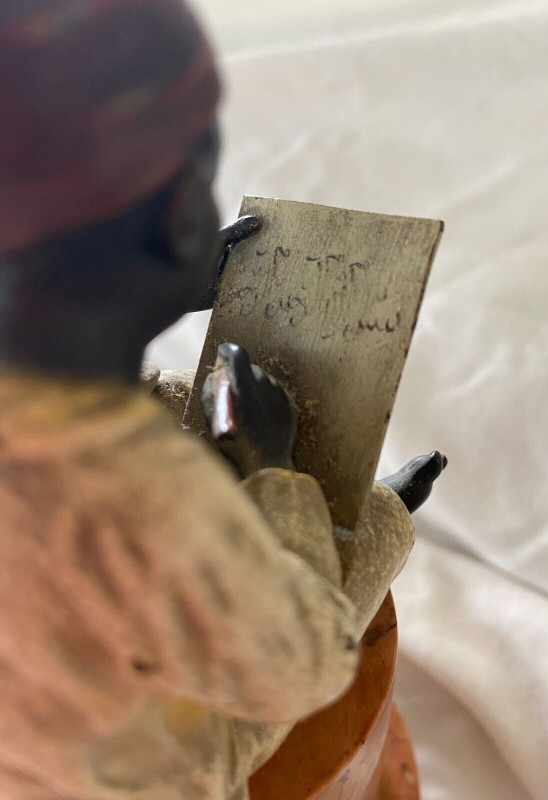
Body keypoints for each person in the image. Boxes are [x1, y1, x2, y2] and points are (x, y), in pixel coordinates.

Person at [0, 2, 446, 798]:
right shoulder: (147, 499)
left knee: (182, 404)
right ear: (176, 225)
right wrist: (274, 470)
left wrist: (145, 295)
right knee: (372, 524)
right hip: (114, 770)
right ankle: (381, 519)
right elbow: (293, 671)